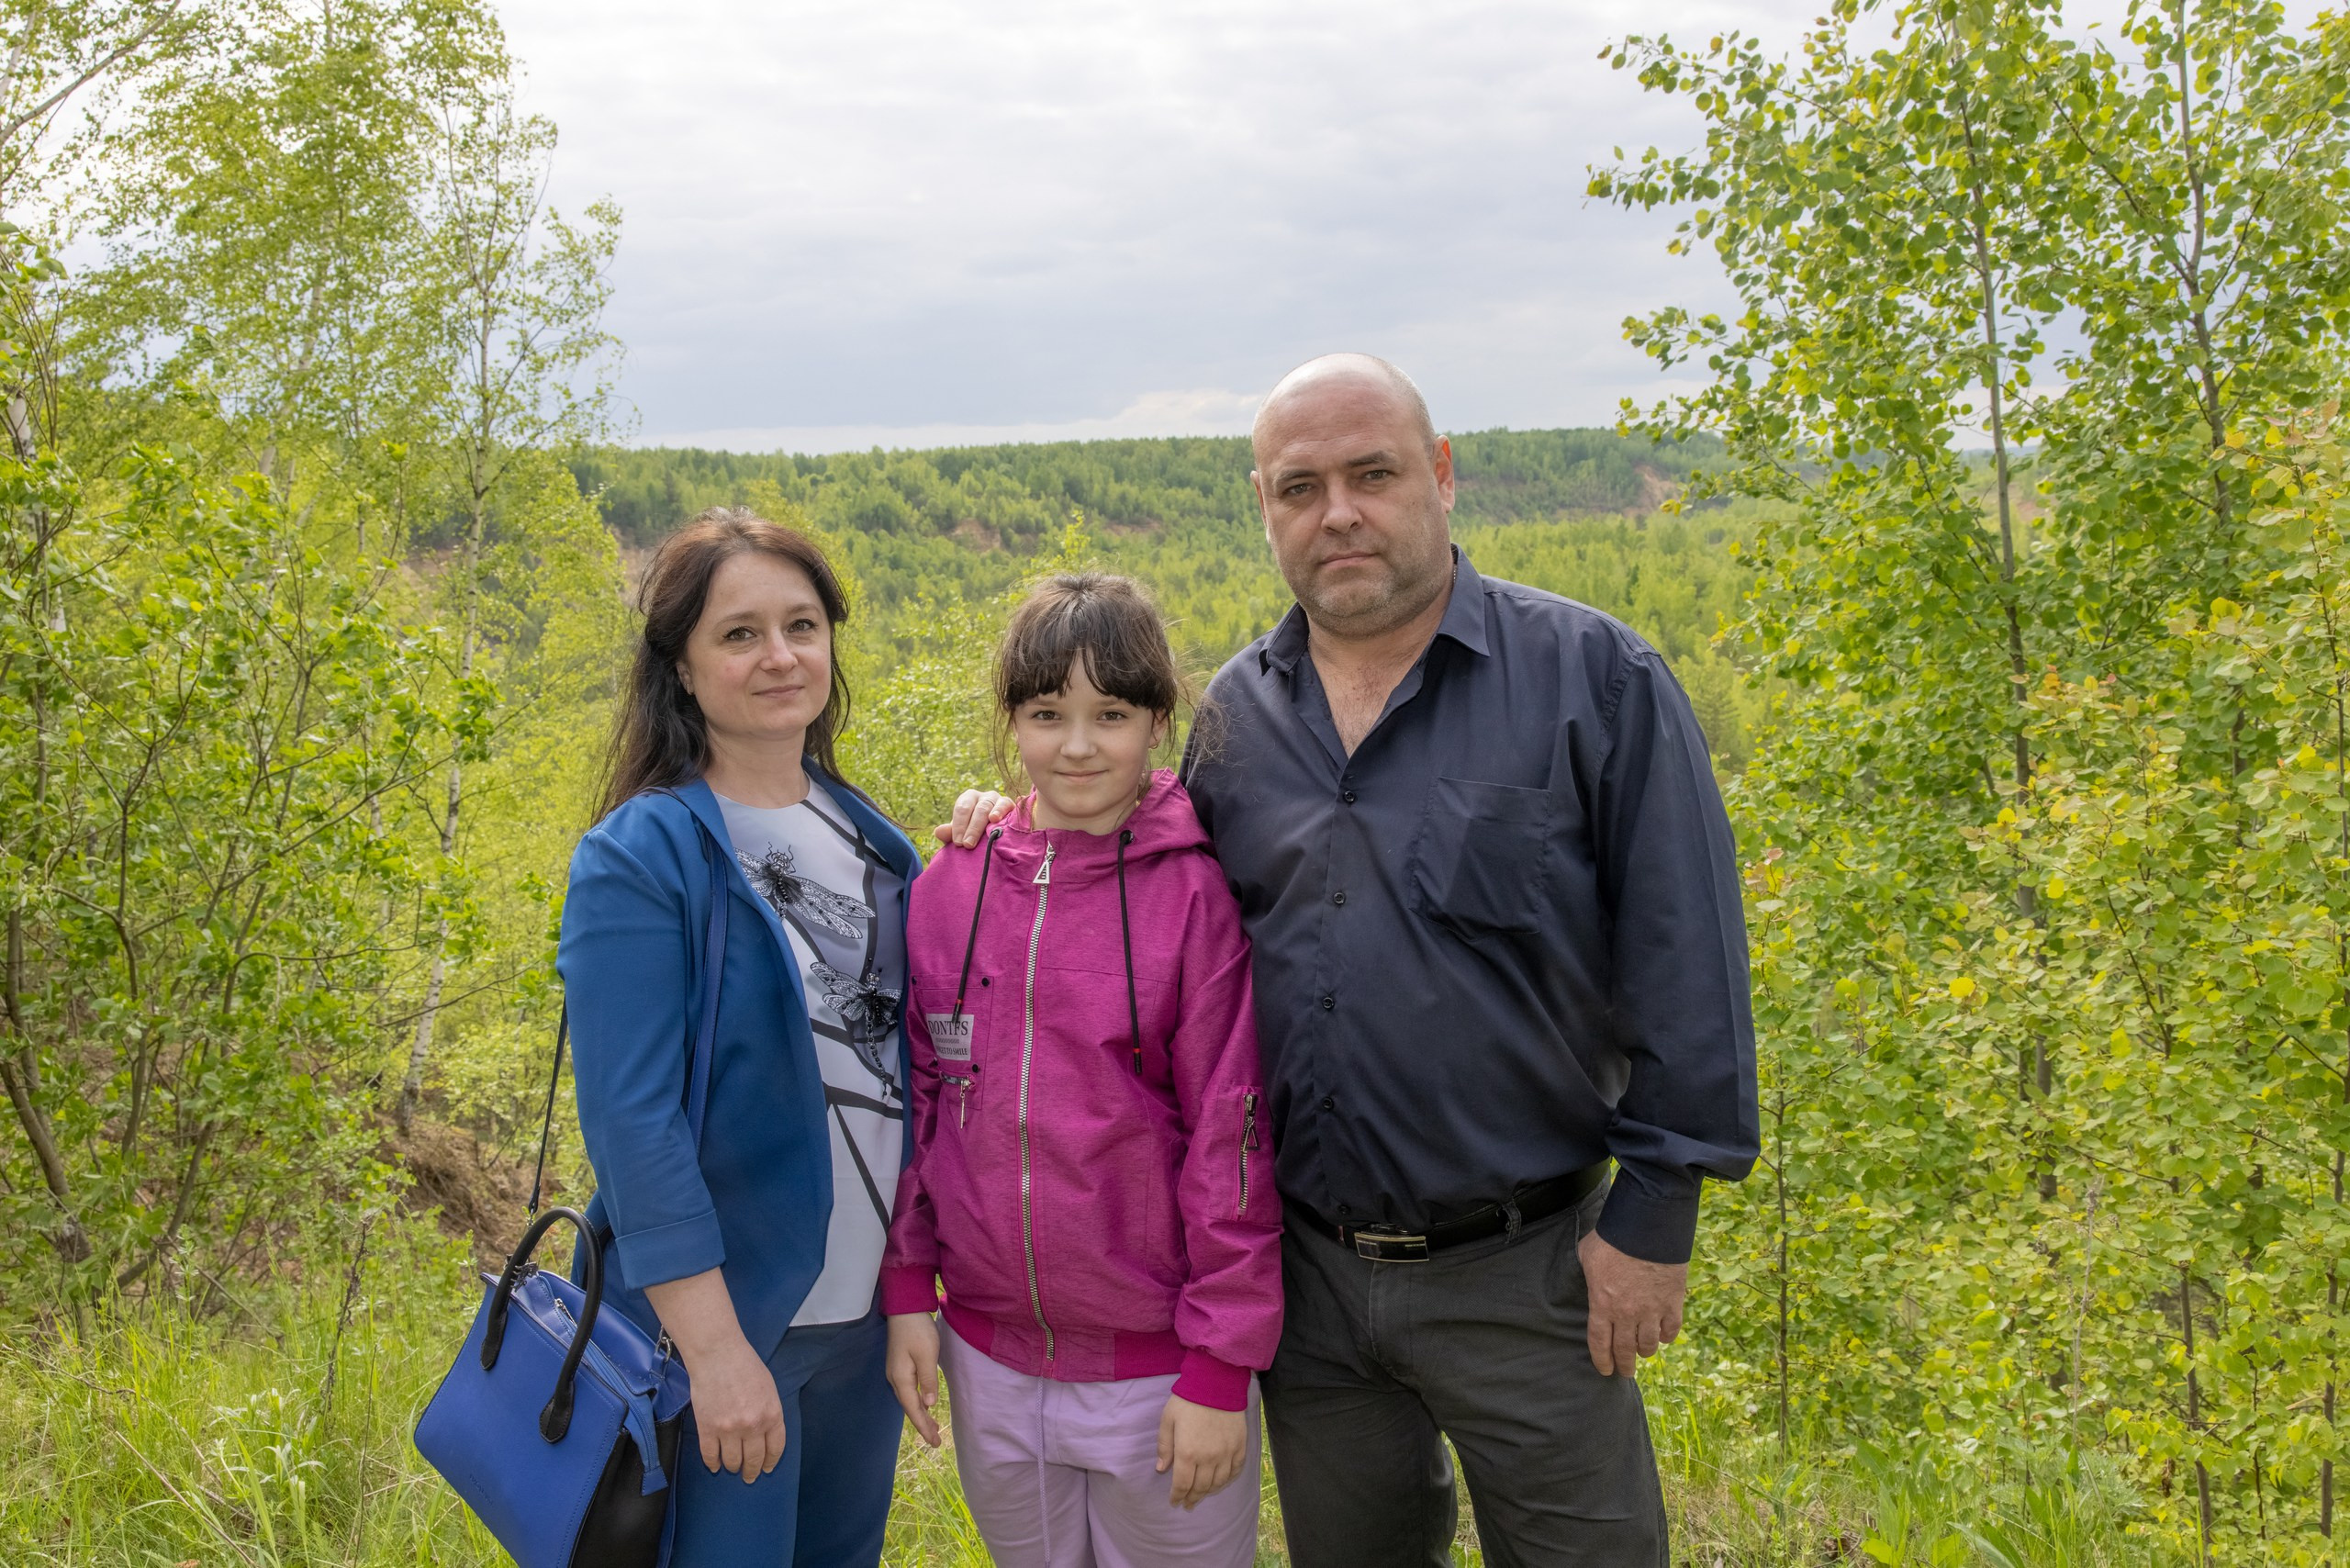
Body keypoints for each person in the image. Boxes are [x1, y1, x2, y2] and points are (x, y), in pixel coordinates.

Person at [945, 355, 1760, 1566]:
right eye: (1298, 487)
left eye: (1372, 475)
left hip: (1529, 1273)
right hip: (1310, 1284)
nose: (1337, 513)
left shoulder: (1596, 682)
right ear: (1264, 508)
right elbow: (1125, 858)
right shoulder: (1233, 720)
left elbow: (1687, 957)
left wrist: (1657, 1215)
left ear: (1439, 478)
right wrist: (1005, 828)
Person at [883, 573, 1283, 1568]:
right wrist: (905, 1290)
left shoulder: (1192, 896)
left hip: (1156, 1373)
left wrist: (1219, 1367)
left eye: (1110, 714)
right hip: (988, 1360)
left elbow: (1230, 1138)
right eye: (1046, 712)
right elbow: (925, 1103)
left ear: (1158, 720)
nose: (1075, 745)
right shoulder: (952, 885)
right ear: (1010, 721)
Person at [557, 508, 919, 1567]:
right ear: (681, 664)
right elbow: (633, 1125)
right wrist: (714, 1353)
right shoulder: (641, 854)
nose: (780, 657)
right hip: (730, 1328)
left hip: (858, 1323)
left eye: (801, 625)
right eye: (739, 633)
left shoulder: (873, 839)